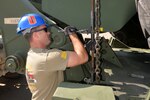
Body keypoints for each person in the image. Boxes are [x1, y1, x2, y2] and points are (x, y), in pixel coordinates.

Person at [16, 13, 88, 100]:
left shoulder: (32, 54)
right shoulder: (47, 58)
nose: (49, 32)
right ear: (36, 35)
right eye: (45, 29)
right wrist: (72, 34)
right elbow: (83, 57)